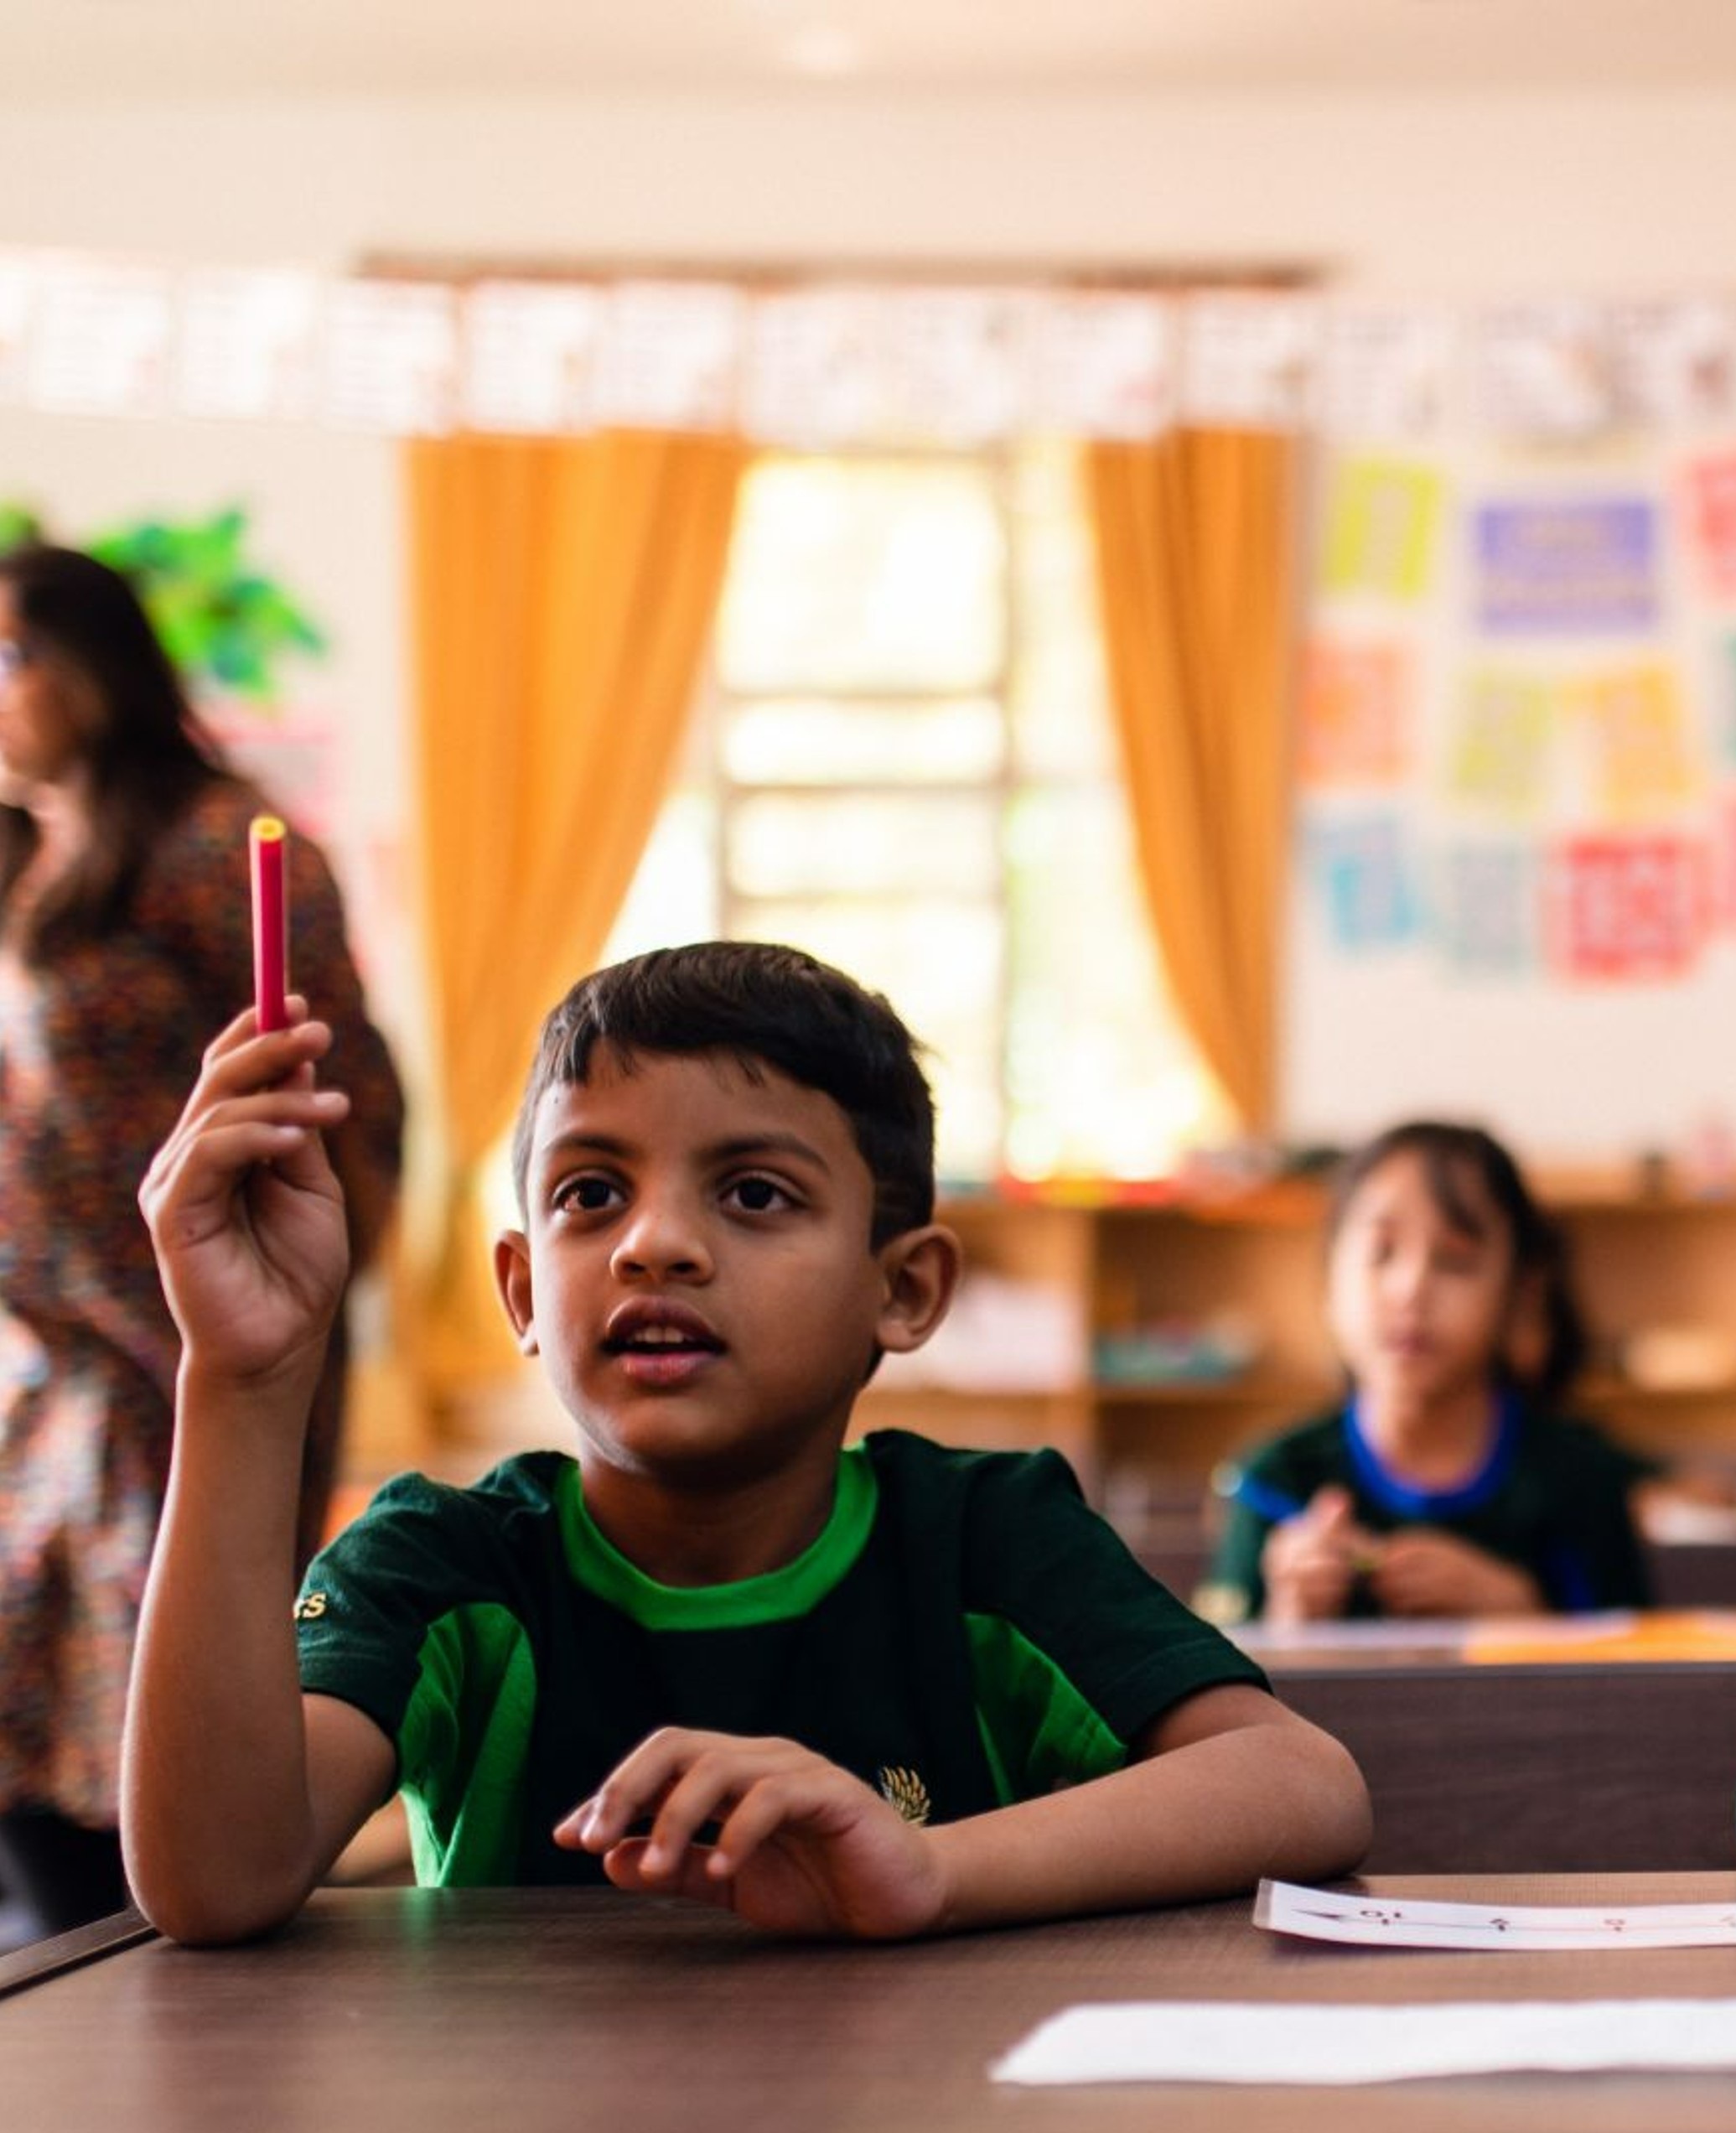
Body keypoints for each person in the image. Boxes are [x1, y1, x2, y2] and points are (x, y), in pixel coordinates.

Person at [122, 942, 1367, 1945]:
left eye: (755, 1193)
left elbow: (1302, 1785)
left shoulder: (986, 1539)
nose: (654, 1244)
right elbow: (213, 1883)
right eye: (590, 1193)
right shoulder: (441, 1565)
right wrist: (244, 1376)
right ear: (521, 1290)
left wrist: (929, 1871)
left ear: (904, 1290)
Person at [0, 544, 403, 1944]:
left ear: (97, 669)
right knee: (28, 1701)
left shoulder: (222, 845)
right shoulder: (31, 855)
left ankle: (152, 1984)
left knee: (150, 1710)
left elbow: (350, 1086)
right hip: (43, 1361)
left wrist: (284, 1326)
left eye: (10, 657)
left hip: (177, 1351)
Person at [1202, 1122, 1653, 1624]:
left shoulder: (1580, 1480)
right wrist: (1289, 1618)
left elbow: (1636, 1659)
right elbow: (1215, 1662)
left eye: (1456, 1261)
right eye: (1381, 1252)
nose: (1411, 1288)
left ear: (1520, 1294)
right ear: (1330, 1282)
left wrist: (1522, 1610)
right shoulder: (1276, 1479)